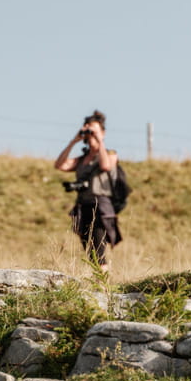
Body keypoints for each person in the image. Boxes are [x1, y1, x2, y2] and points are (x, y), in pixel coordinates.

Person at [55, 110, 122, 266]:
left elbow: (105, 165)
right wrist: (74, 141)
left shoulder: (110, 154)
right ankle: (99, 282)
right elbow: (60, 165)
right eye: (89, 132)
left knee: (98, 249)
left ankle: (104, 286)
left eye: (94, 131)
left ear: (103, 133)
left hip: (101, 207)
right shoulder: (82, 159)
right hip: (82, 206)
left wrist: (100, 143)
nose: (91, 135)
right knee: (90, 251)